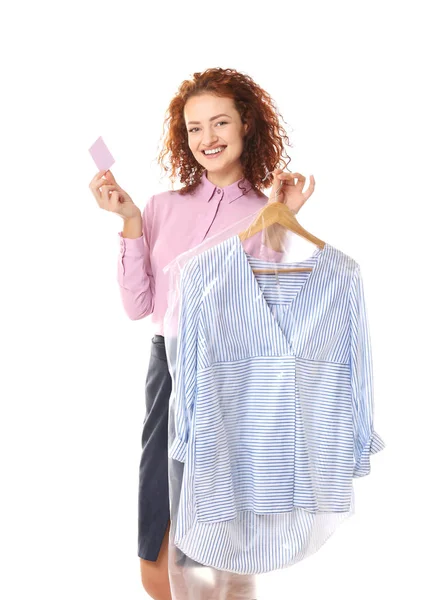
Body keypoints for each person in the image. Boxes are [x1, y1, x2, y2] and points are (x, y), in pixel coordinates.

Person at [89, 67, 315, 600]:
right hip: (168, 367)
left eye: (219, 123)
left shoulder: (265, 211)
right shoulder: (162, 207)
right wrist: (127, 222)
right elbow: (138, 305)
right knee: (160, 504)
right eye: (194, 128)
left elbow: (273, 313)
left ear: (246, 127)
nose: (207, 138)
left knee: (226, 513)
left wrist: (283, 223)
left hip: (230, 372)